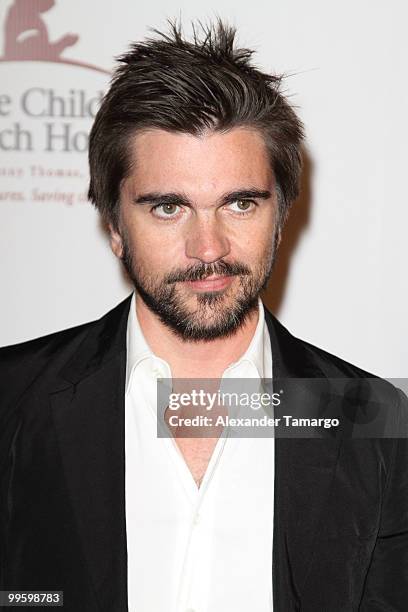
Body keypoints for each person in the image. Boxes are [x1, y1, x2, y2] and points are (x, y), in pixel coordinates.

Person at [0, 20, 407, 612]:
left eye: (240, 203)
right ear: (115, 225)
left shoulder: (377, 423)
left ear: (282, 212)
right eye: (168, 208)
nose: (209, 247)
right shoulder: (11, 399)